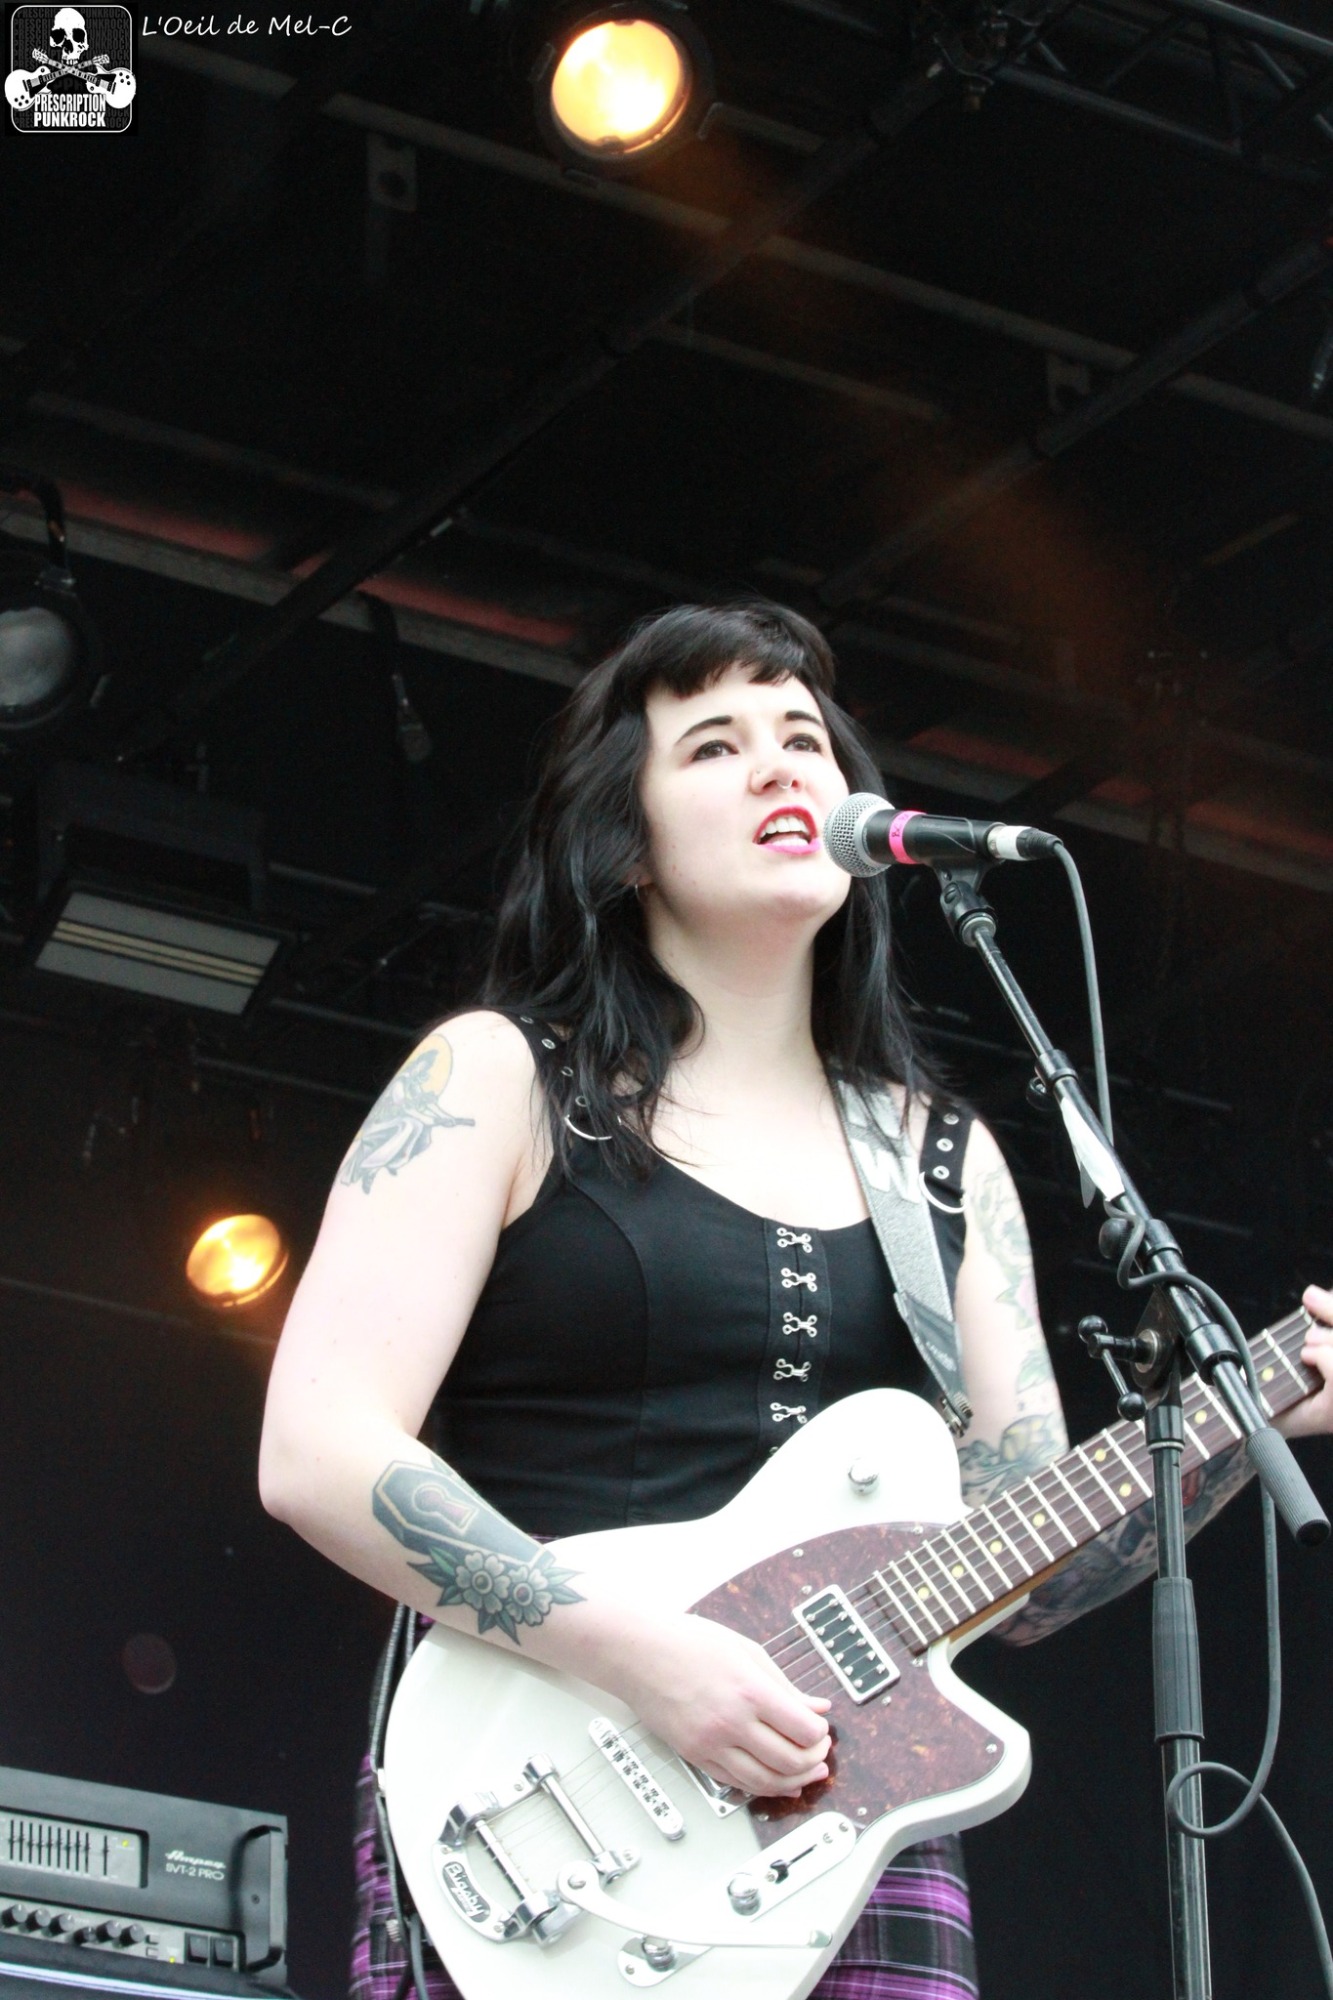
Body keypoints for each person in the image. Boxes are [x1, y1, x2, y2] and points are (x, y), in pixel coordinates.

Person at [258, 602, 1333, 2000]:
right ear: (625, 842)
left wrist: (1253, 1409)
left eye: (803, 739)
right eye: (714, 745)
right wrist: (646, 1660)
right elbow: (318, 1449)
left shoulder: (941, 1162)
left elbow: (1029, 1569)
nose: (778, 767)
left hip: (844, 1832)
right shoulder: (500, 1078)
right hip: (543, 1800)